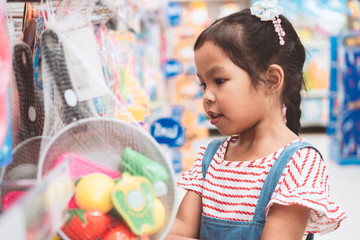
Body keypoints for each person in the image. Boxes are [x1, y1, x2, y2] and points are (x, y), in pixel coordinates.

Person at [166, 1, 347, 239]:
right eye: (203, 84)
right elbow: (182, 229)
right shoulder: (210, 158)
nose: (207, 96)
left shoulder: (298, 164)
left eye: (219, 80)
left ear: (271, 80)